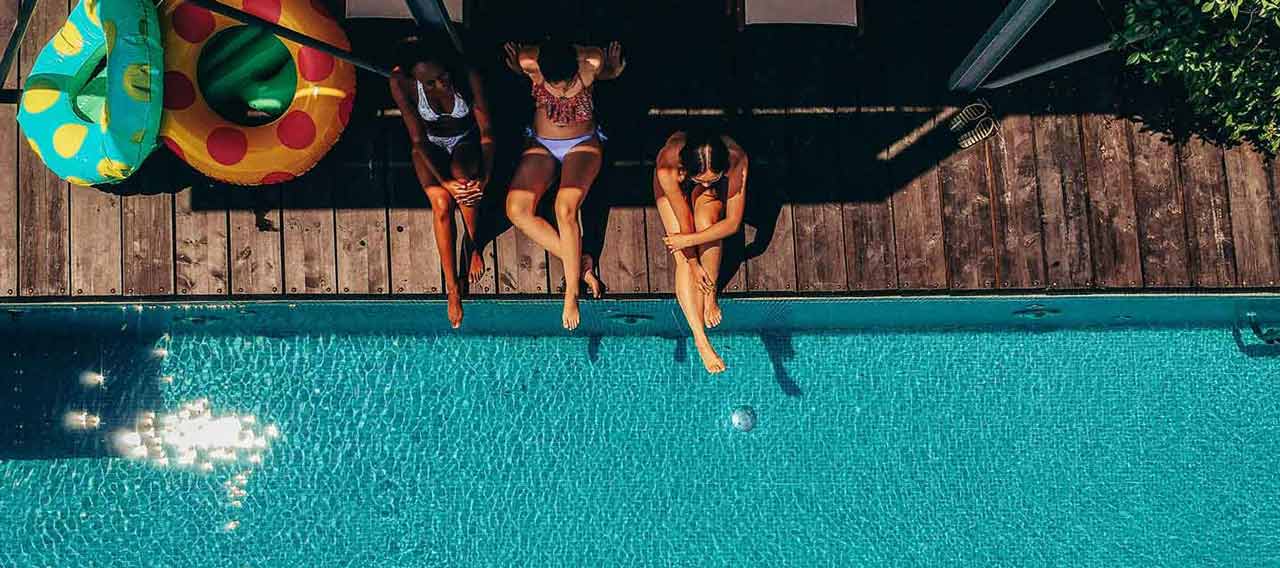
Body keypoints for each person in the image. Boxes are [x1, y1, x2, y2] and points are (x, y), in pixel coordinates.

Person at [502, 38, 625, 330]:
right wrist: (522, 72)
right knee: (516, 209)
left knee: (564, 209)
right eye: (551, 83)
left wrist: (614, 71)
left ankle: (571, 293)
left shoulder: (591, 60)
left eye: (564, 83)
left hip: (581, 144)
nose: (558, 89)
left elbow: (603, 73)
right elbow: (524, 69)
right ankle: (580, 262)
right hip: (542, 144)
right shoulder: (529, 59)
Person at [388, 45, 495, 328]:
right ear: (417, 81)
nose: (440, 84)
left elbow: (486, 134)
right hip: (429, 146)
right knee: (441, 204)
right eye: (431, 82)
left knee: (466, 182)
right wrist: (443, 182)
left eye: (442, 75)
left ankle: (473, 245)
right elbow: (418, 141)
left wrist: (485, 176)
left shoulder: (467, 76)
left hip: (465, 140)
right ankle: (451, 287)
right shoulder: (401, 82)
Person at [653, 129, 748, 374]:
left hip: (700, 191)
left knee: (706, 220)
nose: (706, 183)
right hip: (672, 187)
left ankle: (710, 293)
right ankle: (700, 338)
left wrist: (689, 240)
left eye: (712, 178)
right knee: (683, 262)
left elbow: (732, 224)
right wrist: (693, 263)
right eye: (702, 179)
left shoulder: (736, 159)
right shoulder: (668, 165)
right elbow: (684, 222)